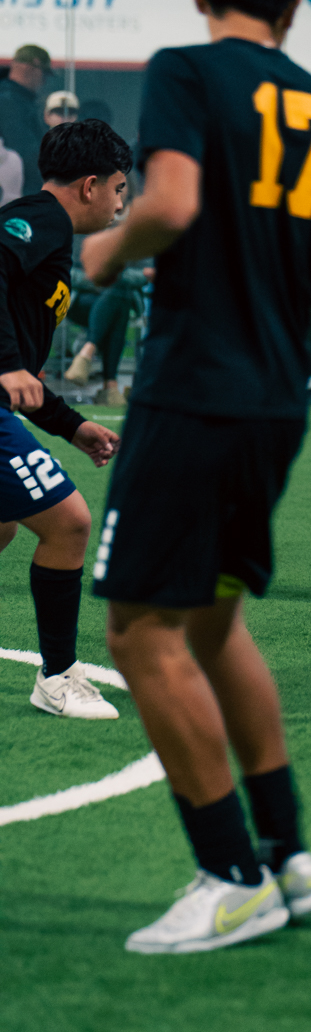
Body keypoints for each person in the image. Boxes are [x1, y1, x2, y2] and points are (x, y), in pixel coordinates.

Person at [80, 0, 311, 954]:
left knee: (138, 631)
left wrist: (108, 252)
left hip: (193, 391)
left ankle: (231, 876)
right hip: (273, 402)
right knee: (213, 624)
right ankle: (289, 856)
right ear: (294, 5)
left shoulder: (185, 72)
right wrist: (271, 272)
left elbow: (169, 202)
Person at [0, 119, 127, 720]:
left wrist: (73, 427)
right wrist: (7, 365)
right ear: (90, 185)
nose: (121, 204)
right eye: (119, 189)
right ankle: (57, 677)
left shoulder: (50, 233)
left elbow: (23, 376)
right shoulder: (40, 218)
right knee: (70, 523)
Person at [63, 257, 148, 408]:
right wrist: (101, 280)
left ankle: (87, 352)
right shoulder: (75, 242)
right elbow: (68, 273)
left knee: (118, 294)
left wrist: (108, 279)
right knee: (119, 299)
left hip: (117, 296)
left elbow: (146, 273)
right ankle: (110, 386)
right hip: (81, 299)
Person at [0, 45, 49, 194]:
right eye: (44, 73)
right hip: (18, 191)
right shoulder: (10, 102)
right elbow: (24, 151)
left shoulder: (14, 99)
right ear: (31, 67)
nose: (44, 81)